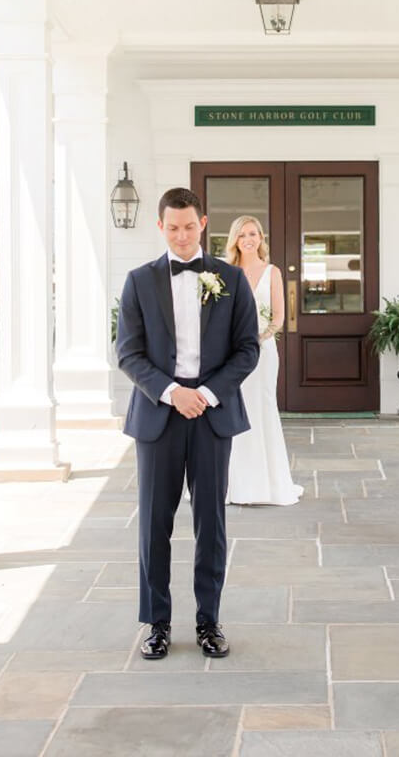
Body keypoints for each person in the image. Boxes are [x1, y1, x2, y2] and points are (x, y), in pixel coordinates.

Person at [116, 187, 259, 661]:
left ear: (204, 224)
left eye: (189, 226)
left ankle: (209, 622)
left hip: (212, 415)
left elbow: (247, 350)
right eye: (172, 227)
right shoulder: (139, 282)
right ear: (160, 227)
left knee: (211, 524)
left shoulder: (232, 279)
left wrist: (207, 394)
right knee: (154, 525)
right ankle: (156, 623)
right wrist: (172, 392)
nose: (181, 235)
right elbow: (129, 354)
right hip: (158, 415)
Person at [224, 215, 304, 507]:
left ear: (261, 238)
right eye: (243, 234)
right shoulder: (226, 272)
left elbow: (279, 317)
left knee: (262, 408)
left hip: (263, 351)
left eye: (254, 233)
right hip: (230, 354)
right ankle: (233, 483)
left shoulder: (273, 272)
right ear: (235, 239)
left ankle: (269, 483)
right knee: (233, 410)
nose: (248, 239)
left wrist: (258, 338)